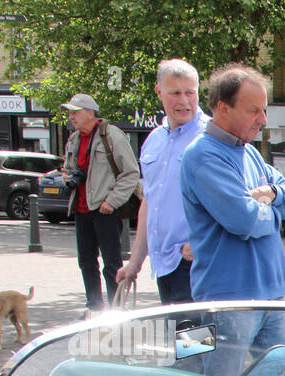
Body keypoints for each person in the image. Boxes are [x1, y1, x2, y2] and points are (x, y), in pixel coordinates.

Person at [180, 64, 285, 376]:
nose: (263, 120)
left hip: (273, 297)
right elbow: (243, 221)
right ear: (222, 108)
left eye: (263, 110)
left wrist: (271, 194)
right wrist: (274, 210)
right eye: (253, 111)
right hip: (225, 302)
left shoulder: (250, 153)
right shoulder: (203, 155)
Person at [116, 59, 209, 304]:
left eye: (190, 92)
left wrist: (200, 242)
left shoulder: (212, 138)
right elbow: (150, 202)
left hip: (197, 265)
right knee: (180, 339)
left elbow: (239, 199)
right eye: (175, 93)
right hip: (164, 265)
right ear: (159, 92)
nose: (184, 101)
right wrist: (134, 263)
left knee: (197, 341)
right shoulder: (154, 140)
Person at [60, 93, 140, 312]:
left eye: (75, 112)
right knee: (86, 261)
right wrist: (67, 177)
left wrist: (112, 201)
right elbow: (69, 168)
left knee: (111, 263)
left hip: (104, 208)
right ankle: (94, 308)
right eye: (70, 113)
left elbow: (131, 172)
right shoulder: (74, 138)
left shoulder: (111, 135)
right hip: (81, 207)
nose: (71, 117)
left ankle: (117, 310)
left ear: (90, 113)